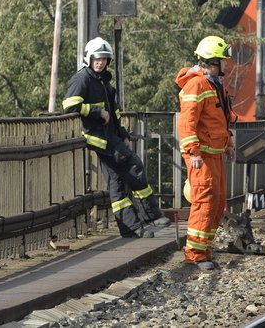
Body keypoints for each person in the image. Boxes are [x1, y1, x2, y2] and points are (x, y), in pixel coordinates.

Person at [63, 37, 171, 238]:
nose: (101, 62)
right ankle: (151, 216)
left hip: (111, 136)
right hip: (99, 138)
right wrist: (96, 112)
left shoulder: (102, 80)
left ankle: (131, 229)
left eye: (104, 59)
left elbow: (114, 113)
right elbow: (69, 104)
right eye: (97, 58)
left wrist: (123, 134)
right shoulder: (82, 78)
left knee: (118, 183)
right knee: (134, 166)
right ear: (89, 58)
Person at [175, 35, 236, 271]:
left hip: (214, 153)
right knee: (204, 202)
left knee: (218, 203)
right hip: (201, 156)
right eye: (223, 61)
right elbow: (187, 123)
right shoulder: (197, 85)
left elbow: (219, 121)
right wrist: (193, 152)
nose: (226, 65)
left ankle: (205, 249)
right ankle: (195, 254)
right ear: (212, 61)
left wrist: (228, 145)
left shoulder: (213, 84)